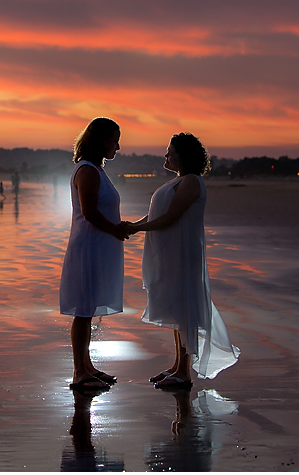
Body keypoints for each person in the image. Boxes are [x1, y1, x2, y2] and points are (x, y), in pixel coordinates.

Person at [129, 133, 239, 388]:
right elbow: (154, 213)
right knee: (176, 309)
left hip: (183, 254)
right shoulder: (178, 181)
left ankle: (184, 371)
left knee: (185, 309)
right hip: (171, 253)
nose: (166, 156)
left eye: (170, 152)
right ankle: (178, 365)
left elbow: (171, 216)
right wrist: (132, 226)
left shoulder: (191, 181)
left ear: (183, 156)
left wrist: (135, 230)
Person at [60, 117, 130, 391]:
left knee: (87, 310)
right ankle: (79, 371)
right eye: (114, 140)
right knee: (83, 309)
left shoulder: (96, 170)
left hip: (97, 247)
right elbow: (89, 213)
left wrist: (117, 229)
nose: (118, 146)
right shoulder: (87, 171)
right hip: (88, 248)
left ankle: (87, 366)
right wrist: (115, 230)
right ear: (100, 141)